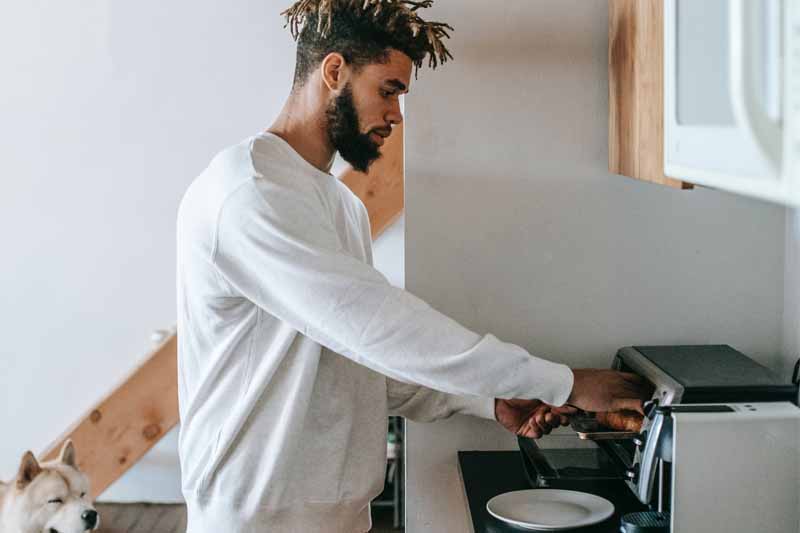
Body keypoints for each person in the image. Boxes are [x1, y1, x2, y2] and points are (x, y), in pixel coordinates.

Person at [175, 2, 649, 532]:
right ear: (334, 71)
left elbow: (353, 365)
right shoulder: (250, 192)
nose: (397, 115)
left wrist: (486, 400)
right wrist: (565, 383)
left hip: (337, 517)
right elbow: (377, 326)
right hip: (254, 519)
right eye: (388, 90)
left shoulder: (340, 204)